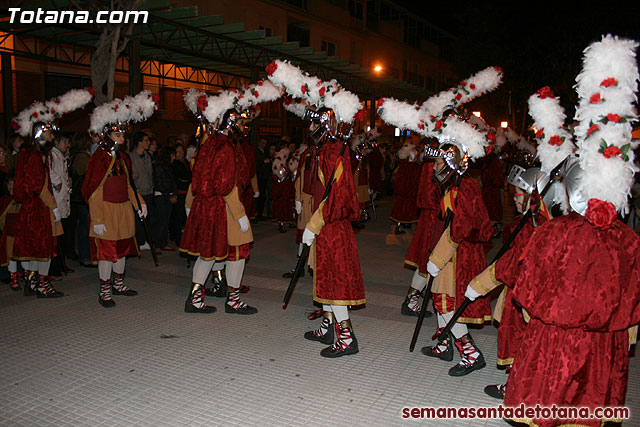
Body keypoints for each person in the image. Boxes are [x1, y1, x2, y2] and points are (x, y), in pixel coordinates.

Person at [83, 91, 156, 308]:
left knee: (122, 249)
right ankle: (104, 290)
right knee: (107, 253)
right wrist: (97, 220)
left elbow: (128, 186)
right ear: (107, 136)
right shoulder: (98, 159)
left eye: (123, 136)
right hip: (105, 211)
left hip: (123, 210)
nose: (122, 140)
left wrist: (139, 204)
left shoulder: (122, 158)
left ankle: (119, 283)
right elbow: (94, 191)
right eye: (118, 136)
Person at [49, 134, 73, 276]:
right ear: (57, 142)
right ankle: (56, 267)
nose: (67, 145)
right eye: (64, 141)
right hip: (57, 199)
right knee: (57, 236)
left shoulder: (61, 156)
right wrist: (57, 181)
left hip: (63, 198)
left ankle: (62, 264)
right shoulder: (53, 155)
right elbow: (51, 171)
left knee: (63, 235)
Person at [68, 133, 93, 267]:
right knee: (85, 227)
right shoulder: (83, 158)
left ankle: (77, 253)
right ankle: (85, 256)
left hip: (74, 197)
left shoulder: (73, 156)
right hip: (81, 198)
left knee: (78, 227)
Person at [129, 131, 155, 251]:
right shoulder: (131, 157)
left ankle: (144, 240)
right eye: (145, 140)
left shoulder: (147, 156)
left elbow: (150, 174)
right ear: (139, 142)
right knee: (137, 219)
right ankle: (139, 241)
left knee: (147, 217)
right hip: (138, 191)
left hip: (148, 190)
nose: (148, 143)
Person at [389, 142, 421, 234]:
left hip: (403, 193)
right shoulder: (412, 167)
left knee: (402, 211)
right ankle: (410, 228)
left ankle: (399, 227)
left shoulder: (402, 166)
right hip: (408, 194)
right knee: (410, 212)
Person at [151, 145, 178, 251]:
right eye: (173, 155)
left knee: (166, 221)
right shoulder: (158, 166)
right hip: (161, 196)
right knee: (161, 221)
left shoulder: (170, 166)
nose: (174, 158)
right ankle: (157, 245)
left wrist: (174, 194)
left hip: (169, 195)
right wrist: (169, 195)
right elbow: (160, 183)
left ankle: (163, 243)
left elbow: (173, 182)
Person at [170, 143, 191, 246]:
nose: (180, 154)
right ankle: (178, 239)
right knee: (178, 217)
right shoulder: (174, 165)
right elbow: (176, 180)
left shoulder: (187, 163)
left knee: (185, 218)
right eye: (178, 152)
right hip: (179, 193)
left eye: (182, 151)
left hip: (187, 193)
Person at [270, 147, 294, 233]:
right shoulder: (281, 163)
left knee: (287, 204)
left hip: (286, 188)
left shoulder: (284, 162)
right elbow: (282, 175)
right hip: (282, 188)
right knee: (282, 205)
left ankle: (287, 222)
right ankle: (282, 223)